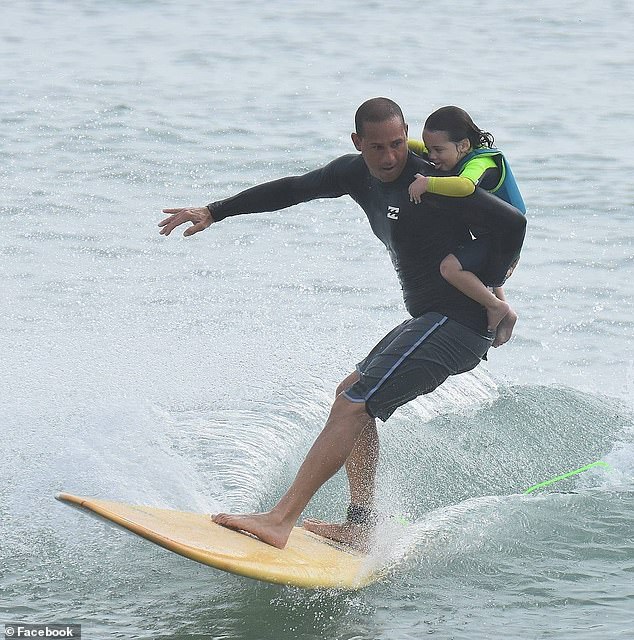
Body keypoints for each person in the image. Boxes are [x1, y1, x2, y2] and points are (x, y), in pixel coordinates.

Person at [159, 98, 526, 550]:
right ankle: (361, 524)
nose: (390, 157)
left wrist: (495, 285)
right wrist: (216, 211)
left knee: (355, 404)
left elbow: (513, 223)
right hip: (432, 319)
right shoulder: (353, 173)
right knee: (349, 396)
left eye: (397, 144)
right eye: (377, 148)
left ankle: (280, 520)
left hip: (459, 323)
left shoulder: (435, 182)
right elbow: (294, 188)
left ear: (406, 133)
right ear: (358, 144)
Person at [408, 106, 526, 347]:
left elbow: (465, 186)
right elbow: (418, 148)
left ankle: (495, 306)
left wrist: (428, 183)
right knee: (479, 271)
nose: (431, 156)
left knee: (450, 268)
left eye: (438, 150)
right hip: (489, 235)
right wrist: (397, 142)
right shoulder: (458, 152)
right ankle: (508, 314)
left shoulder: (481, 163)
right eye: (429, 149)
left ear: (463, 146)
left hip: (504, 239)